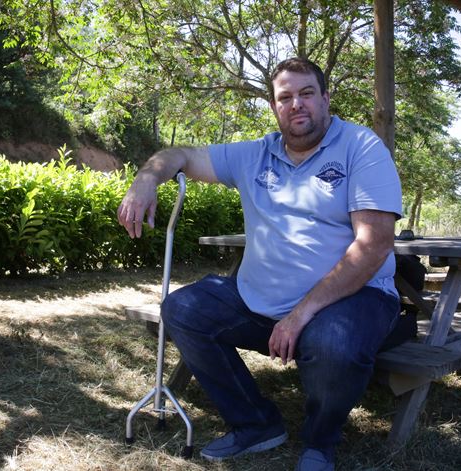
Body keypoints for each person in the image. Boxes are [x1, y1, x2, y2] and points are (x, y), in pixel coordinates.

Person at [117, 57, 402, 471]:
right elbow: (179, 154)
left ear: (326, 99)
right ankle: (255, 424)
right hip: (259, 299)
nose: (296, 104)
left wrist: (300, 314)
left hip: (354, 298)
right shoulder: (254, 154)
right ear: (273, 106)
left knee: (333, 345)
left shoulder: (361, 147)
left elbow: (373, 246)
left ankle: (320, 443)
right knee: (181, 309)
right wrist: (146, 179)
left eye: (307, 93)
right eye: (285, 97)